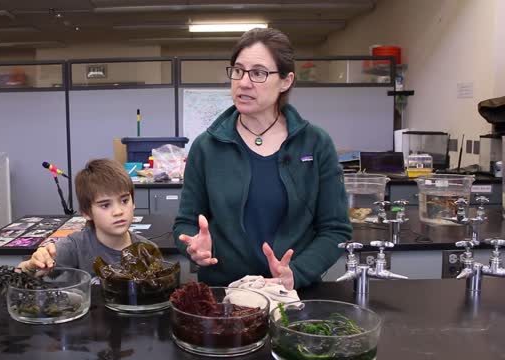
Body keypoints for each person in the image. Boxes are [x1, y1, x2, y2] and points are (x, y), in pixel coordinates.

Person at [173, 28, 352, 290]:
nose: (244, 82)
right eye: (238, 70)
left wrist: (297, 273)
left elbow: (336, 231)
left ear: (286, 81)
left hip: (293, 294)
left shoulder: (315, 143)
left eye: (258, 73)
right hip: (225, 293)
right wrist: (192, 245)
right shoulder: (207, 146)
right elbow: (185, 222)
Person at [19, 159, 147, 275]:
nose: (118, 211)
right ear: (86, 213)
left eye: (124, 201)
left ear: (133, 203)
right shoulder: (74, 247)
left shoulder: (146, 250)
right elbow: (20, 273)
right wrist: (32, 265)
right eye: (105, 205)